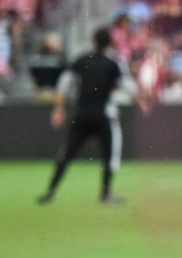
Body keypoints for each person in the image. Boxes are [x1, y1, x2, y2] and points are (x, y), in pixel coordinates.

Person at [37, 26, 150, 205]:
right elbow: (127, 85)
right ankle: (106, 193)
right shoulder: (114, 62)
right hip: (103, 114)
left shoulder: (82, 60)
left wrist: (58, 108)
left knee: (67, 153)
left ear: (94, 42)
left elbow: (64, 84)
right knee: (110, 154)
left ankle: (51, 190)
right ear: (110, 43)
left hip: (82, 112)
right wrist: (141, 101)